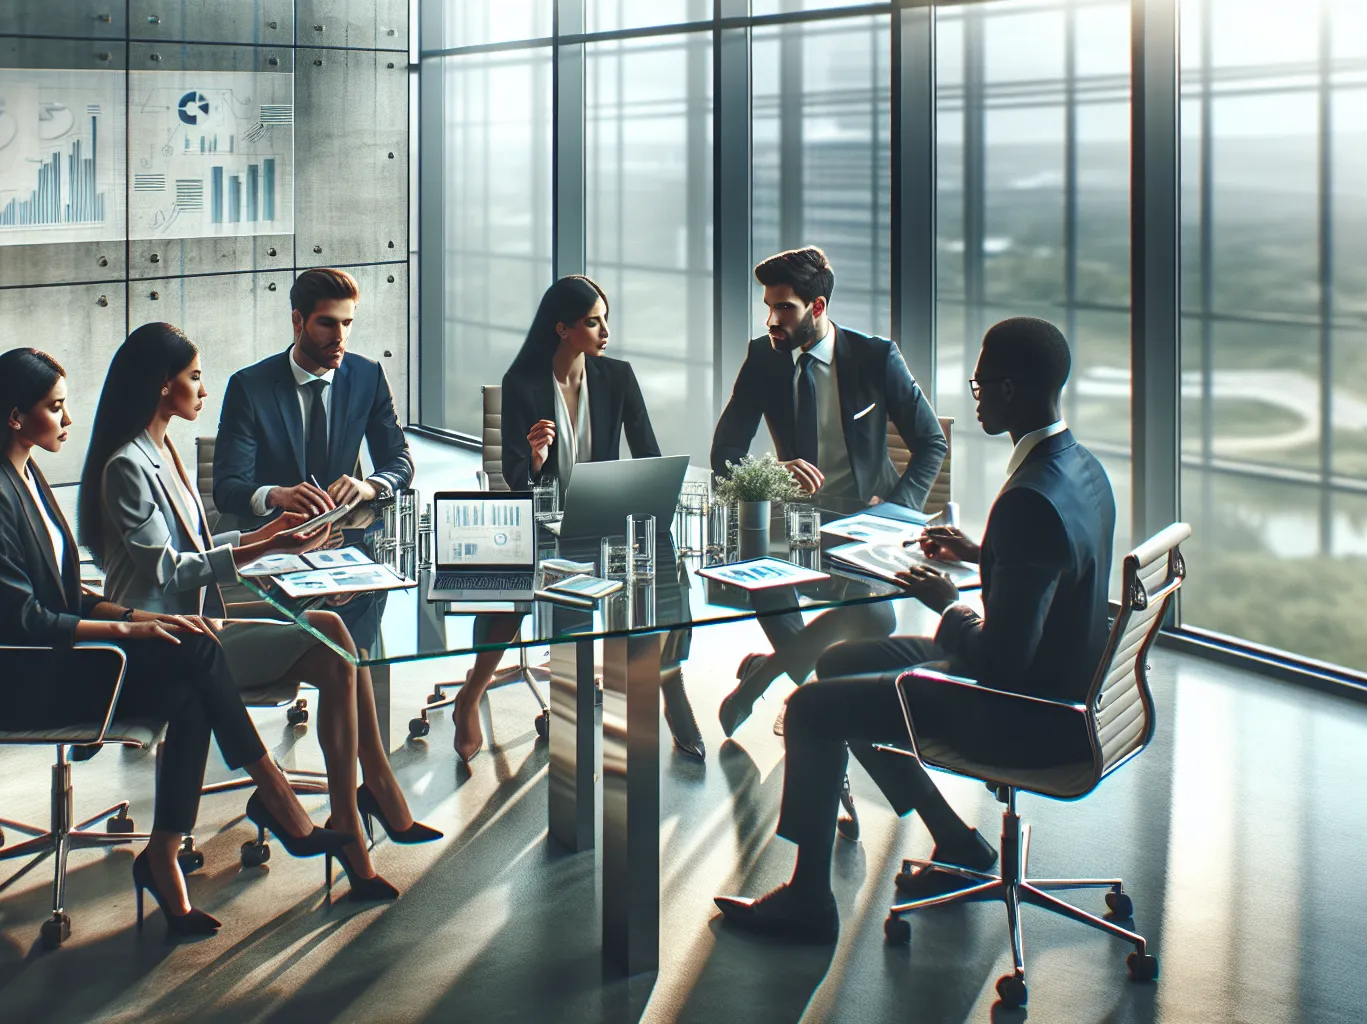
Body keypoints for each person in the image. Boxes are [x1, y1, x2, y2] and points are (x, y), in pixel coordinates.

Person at [712, 316, 1118, 942]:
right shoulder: (1079, 467)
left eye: (981, 383)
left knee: (812, 710)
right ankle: (956, 840)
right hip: (1059, 685)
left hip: (1022, 711)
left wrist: (947, 603)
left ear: (1010, 389)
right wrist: (982, 554)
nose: (975, 394)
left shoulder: (1028, 501)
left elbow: (1000, 661)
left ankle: (808, 901)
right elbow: (1055, 569)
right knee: (839, 663)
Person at [0, 348, 352, 938]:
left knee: (191, 675)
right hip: (19, 679)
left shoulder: (26, 475)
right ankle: (276, 797)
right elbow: (23, 621)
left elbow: (65, 593)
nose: (67, 419)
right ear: (14, 416)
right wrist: (128, 629)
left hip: (56, 660)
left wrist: (135, 615)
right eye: (55, 408)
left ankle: (164, 856)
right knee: (197, 653)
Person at [80, 323, 441, 903]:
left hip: (200, 625)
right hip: (163, 640)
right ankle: (355, 820)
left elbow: (198, 548)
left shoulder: (161, 448)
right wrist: (265, 545)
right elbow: (168, 570)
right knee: (332, 643)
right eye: (194, 377)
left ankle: (352, 814)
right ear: (162, 384)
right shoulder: (127, 464)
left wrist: (271, 539)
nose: (204, 389)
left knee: (333, 632)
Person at [710, 246, 948, 835]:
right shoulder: (764, 359)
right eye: (768, 307)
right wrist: (774, 470)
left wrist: (895, 512)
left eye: (784, 308)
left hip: (865, 530)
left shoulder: (875, 358)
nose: (772, 320)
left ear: (817, 307)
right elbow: (725, 453)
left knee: (876, 619)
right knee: (769, 594)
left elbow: (930, 445)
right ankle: (815, 723)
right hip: (793, 530)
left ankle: (768, 676)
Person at [451, 276, 704, 762]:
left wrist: (656, 495)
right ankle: (473, 692)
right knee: (513, 590)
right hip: (540, 523)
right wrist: (537, 457)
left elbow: (647, 452)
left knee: (665, 572)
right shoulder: (522, 383)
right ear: (562, 329)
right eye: (593, 322)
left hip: (602, 518)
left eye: (605, 319)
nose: (606, 331)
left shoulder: (617, 377)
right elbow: (516, 480)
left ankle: (671, 687)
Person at [212, 266, 415, 526]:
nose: (339, 337)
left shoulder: (368, 376)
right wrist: (276, 495)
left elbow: (399, 460)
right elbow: (226, 489)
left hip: (341, 535)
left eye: (347, 323)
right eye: (327, 323)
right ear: (298, 320)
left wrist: (369, 487)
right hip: (271, 537)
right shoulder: (249, 387)